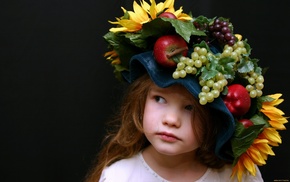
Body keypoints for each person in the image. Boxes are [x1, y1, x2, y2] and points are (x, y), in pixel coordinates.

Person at [85, 0, 288, 181]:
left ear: (214, 117)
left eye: (190, 107)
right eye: (160, 99)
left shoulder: (236, 177)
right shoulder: (119, 176)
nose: (171, 120)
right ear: (140, 100)